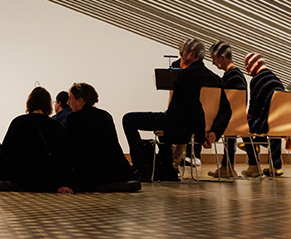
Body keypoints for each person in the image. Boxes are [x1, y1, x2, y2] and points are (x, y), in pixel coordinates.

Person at [122, 38, 231, 182]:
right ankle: (166, 169)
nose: (181, 56)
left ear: (191, 54)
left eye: (183, 53)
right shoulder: (215, 79)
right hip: (195, 127)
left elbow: (194, 108)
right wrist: (213, 132)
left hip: (178, 124)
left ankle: (142, 167)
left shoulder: (186, 76)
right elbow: (226, 110)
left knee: (129, 119)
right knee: (162, 123)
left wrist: (200, 136)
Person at [0, 87, 72, 193]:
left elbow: (5, 153)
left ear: (30, 103)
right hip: (45, 179)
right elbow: (62, 157)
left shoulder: (18, 122)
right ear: (48, 105)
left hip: (19, 178)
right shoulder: (56, 126)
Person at [65, 83, 137, 191]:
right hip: (116, 172)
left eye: (70, 99)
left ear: (80, 100)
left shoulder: (73, 119)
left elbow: (74, 150)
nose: (68, 103)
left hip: (91, 174)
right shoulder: (105, 115)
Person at [207, 41, 248, 179]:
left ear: (222, 58)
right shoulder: (240, 76)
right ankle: (227, 167)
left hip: (228, 121)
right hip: (240, 121)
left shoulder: (229, 78)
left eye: (214, 58)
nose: (213, 63)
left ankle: (226, 167)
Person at [241, 53, 285, 177]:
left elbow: (254, 109)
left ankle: (254, 166)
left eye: (249, 65)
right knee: (274, 125)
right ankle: (276, 167)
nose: (247, 69)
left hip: (267, 122)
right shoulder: (276, 79)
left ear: (258, 64)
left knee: (243, 126)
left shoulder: (258, 80)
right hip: (283, 123)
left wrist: (243, 119)